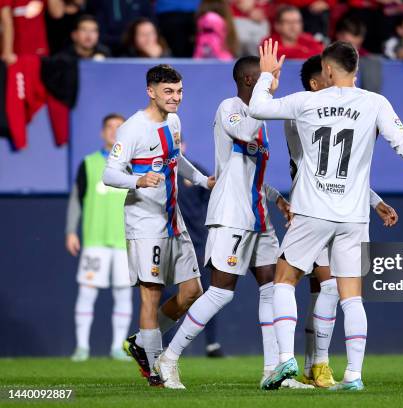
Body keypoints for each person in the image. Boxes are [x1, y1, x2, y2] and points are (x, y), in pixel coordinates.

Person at [251, 39, 403, 391]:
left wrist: (266, 76)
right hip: (353, 215)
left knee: (284, 278)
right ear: (357, 69)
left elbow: (258, 108)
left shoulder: (307, 101)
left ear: (326, 69)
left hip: (312, 210)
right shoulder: (375, 103)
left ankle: (285, 360)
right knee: (351, 295)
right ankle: (353, 375)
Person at [153, 57, 303, 390]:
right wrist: (267, 88)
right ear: (251, 79)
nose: (275, 82)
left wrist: (277, 197)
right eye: (269, 76)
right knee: (221, 292)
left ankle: (272, 371)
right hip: (231, 217)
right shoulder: (230, 109)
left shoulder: (261, 120)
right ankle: (169, 358)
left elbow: (248, 173)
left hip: (258, 216)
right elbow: (243, 130)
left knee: (273, 288)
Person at [290, 55, 399, 388]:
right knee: (326, 286)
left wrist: (375, 200)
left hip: (338, 208)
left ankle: (315, 365)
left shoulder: (332, 111)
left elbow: (343, 171)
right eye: (329, 79)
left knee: (331, 288)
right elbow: (319, 170)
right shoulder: (302, 115)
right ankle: (317, 363)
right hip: (313, 208)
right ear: (316, 82)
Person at [103, 64, 214, 387]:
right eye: (168, 91)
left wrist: (202, 179)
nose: (175, 97)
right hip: (144, 222)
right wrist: (137, 179)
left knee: (193, 291)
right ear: (150, 91)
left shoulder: (174, 122)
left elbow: (176, 159)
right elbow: (110, 174)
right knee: (150, 295)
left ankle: (141, 342)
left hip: (172, 218)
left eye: (179, 91)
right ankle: (155, 369)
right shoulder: (132, 129)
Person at [66, 113, 132, 362]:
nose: (114, 131)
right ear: (102, 132)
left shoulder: (133, 165)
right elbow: (76, 199)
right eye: (110, 127)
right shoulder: (89, 163)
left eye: (119, 127)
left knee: (123, 294)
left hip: (125, 242)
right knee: (87, 292)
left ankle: (117, 347)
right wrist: (71, 230)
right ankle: (82, 347)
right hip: (94, 241)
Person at [176, 140, 224, 357]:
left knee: (207, 293)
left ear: (184, 146)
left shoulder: (194, 172)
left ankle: (212, 343)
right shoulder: (160, 173)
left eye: (178, 143)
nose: (176, 147)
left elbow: (213, 194)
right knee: (171, 294)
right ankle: (165, 345)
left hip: (197, 242)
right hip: (172, 243)